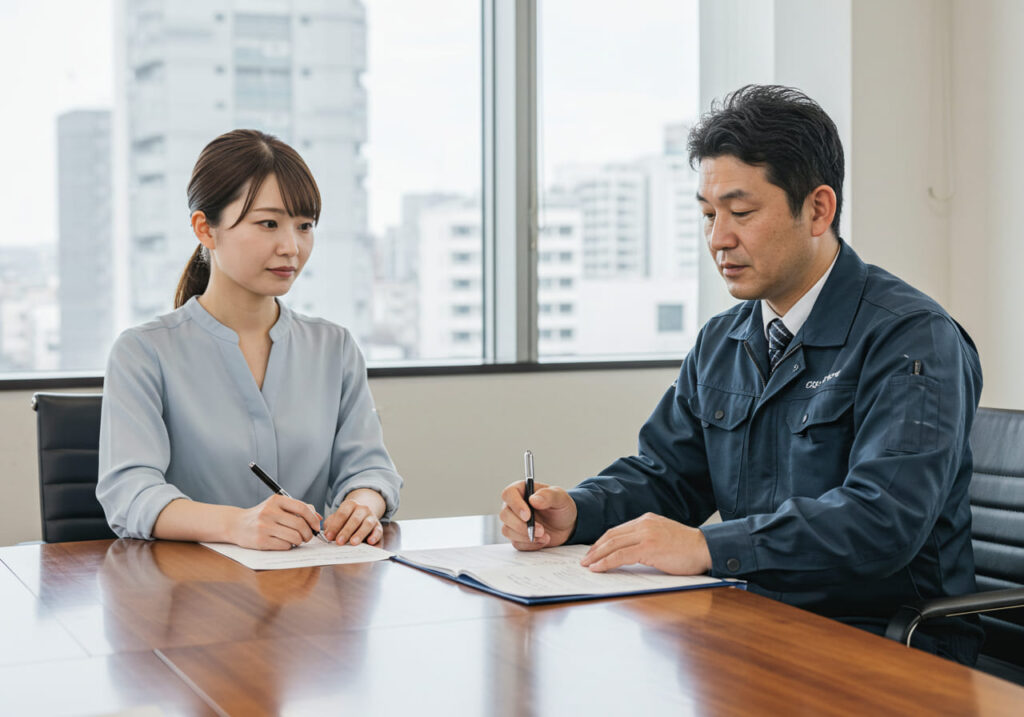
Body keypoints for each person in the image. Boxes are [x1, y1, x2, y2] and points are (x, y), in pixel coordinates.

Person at [499, 85, 983, 664]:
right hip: (755, 627)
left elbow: (882, 521)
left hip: (884, 647)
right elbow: (667, 475)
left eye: (742, 213)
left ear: (818, 210)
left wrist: (708, 545)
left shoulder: (910, 336)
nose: (718, 239)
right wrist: (577, 511)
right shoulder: (724, 338)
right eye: (708, 215)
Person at [98, 129, 401, 550]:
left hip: (311, 591)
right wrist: (236, 525)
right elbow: (130, 493)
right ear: (205, 229)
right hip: (189, 593)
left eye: (305, 226)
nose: (291, 247)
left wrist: (363, 503)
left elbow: (370, 469)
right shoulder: (144, 352)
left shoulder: (334, 347)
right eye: (268, 224)